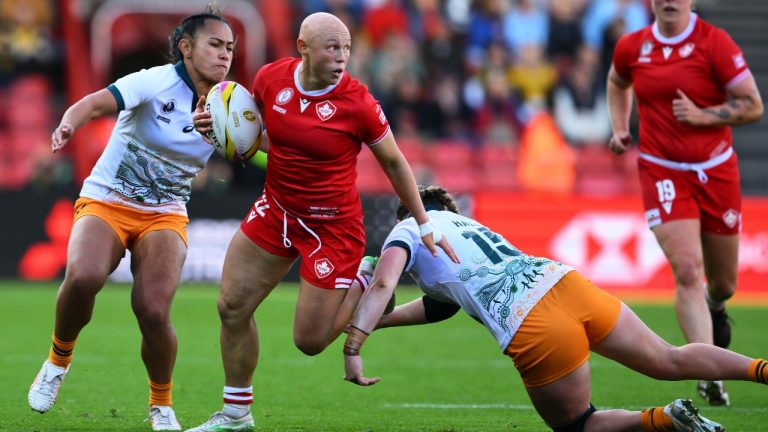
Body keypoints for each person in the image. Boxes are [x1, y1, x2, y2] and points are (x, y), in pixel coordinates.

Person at [186, 12, 458, 432]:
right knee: (231, 306)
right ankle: (236, 414)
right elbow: (244, 128)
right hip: (277, 210)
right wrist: (213, 125)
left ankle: (364, 279)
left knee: (309, 343)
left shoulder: (359, 103)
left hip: (333, 228)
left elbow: (393, 161)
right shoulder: (270, 79)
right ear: (303, 47)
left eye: (347, 48)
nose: (342, 56)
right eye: (333, 47)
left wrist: (424, 224)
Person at [342, 184, 768, 432]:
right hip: (565, 283)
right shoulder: (466, 224)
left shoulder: (406, 227)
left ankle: (664, 419)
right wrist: (383, 322)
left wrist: (355, 340)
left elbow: (383, 281)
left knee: (577, 425)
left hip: (531, 322)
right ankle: (761, 370)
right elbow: (441, 306)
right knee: (668, 358)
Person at [27, 6, 235, 431]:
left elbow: (258, 150)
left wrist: (233, 143)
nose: (224, 55)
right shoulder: (153, 81)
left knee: (153, 309)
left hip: (165, 214)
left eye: (230, 47)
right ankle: (57, 360)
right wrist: (68, 125)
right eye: (215, 44)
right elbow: (92, 103)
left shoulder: (232, 103)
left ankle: (162, 406)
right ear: (186, 47)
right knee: (83, 278)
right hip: (107, 200)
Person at [606, 0, 764, 406]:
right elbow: (617, 82)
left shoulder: (716, 43)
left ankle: (715, 307)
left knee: (724, 282)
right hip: (662, 171)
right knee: (689, 270)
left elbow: (753, 105)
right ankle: (709, 375)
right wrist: (621, 128)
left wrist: (704, 115)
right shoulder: (633, 46)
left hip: (716, 170)